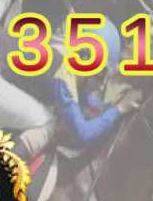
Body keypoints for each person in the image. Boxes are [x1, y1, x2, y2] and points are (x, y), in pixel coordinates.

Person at [53, 20, 143, 149]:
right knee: (46, 125)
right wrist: (119, 109)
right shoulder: (64, 77)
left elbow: (88, 98)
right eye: (100, 72)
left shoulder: (71, 65)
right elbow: (83, 134)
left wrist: (106, 109)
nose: (100, 84)